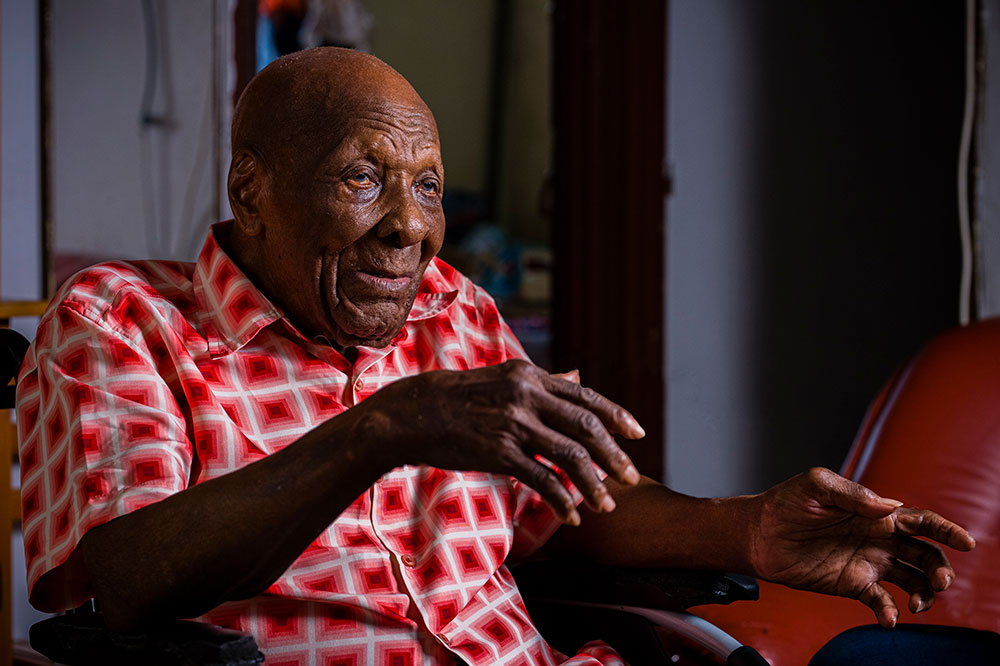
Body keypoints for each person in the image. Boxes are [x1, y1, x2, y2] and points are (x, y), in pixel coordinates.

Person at [17, 48, 976, 666]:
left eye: (429, 187)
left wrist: (746, 528)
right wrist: (381, 430)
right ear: (253, 189)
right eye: (363, 178)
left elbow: (565, 512)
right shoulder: (121, 319)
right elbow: (131, 574)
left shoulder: (451, 310)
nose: (410, 230)